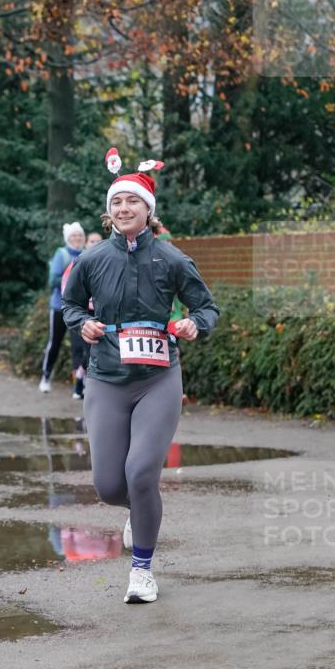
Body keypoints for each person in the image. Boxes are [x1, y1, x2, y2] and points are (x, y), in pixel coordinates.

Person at [62, 148, 219, 604]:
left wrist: (195, 323)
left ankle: (143, 571)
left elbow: (206, 306)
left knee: (142, 471)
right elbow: (71, 304)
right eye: (116, 204)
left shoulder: (171, 259)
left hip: (158, 379)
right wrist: (82, 323)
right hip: (107, 377)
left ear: (148, 211)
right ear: (108, 213)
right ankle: (137, 509)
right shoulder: (91, 261)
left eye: (132, 202)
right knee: (110, 486)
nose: (124, 209)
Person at [39, 222, 85, 394]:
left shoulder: (87, 254)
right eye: (74, 236)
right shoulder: (62, 254)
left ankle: (78, 385)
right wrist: (72, 280)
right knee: (54, 343)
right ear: (67, 238)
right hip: (59, 307)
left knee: (79, 347)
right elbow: (53, 281)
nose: (77, 239)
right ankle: (45, 376)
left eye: (80, 235)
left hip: (78, 309)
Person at [59, 231, 104, 399]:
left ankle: (87, 384)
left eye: (98, 241)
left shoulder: (108, 261)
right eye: (92, 241)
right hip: (81, 312)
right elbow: (66, 286)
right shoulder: (79, 262)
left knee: (94, 350)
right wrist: (72, 308)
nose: (94, 244)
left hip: (101, 313)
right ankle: (79, 383)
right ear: (86, 244)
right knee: (81, 349)